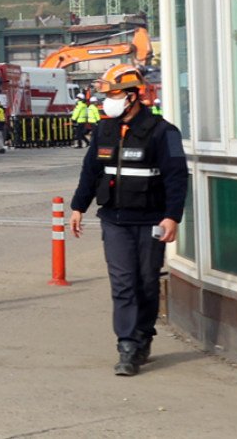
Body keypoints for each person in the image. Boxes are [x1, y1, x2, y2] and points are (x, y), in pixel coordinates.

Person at [69, 64, 188, 376]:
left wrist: (172, 217)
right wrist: (78, 206)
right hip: (114, 219)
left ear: (134, 95)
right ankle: (127, 345)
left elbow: (177, 178)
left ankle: (143, 335)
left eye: (116, 94)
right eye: (107, 94)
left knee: (146, 282)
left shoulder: (165, 133)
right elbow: (90, 171)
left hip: (151, 220)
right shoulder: (103, 130)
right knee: (123, 283)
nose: (109, 100)